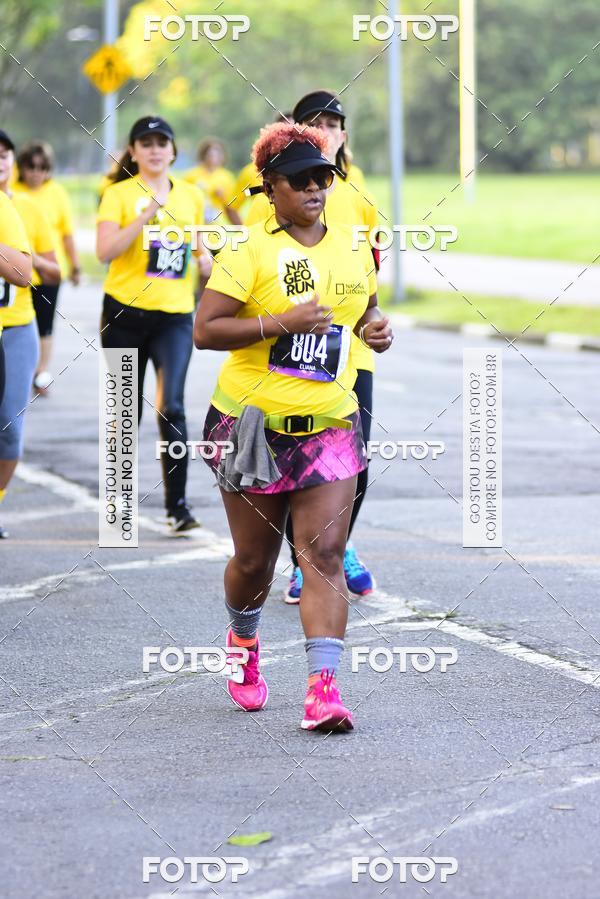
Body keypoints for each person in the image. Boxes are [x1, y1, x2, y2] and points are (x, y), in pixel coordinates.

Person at [193, 122, 393, 731]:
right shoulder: (247, 250)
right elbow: (206, 330)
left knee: (324, 553)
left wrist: (373, 329)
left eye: (322, 177)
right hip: (251, 426)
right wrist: (280, 323)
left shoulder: (352, 245)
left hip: (330, 421)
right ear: (270, 188)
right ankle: (245, 642)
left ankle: (322, 690)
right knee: (255, 562)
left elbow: (363, 308)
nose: (314, 187)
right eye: (300, 179)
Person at [247, 90, 380, 603]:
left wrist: (373, 319)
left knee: (354, 460)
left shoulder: (358, 190)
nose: (327, 129)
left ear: (344, 134)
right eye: (315, 122)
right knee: (289, 466)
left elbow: (371, 271)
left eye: (335, 122)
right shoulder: (269, 181)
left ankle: (334, 546)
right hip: (280, 350)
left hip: (348, 351)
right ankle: (306, 560)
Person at [96, 115, 212, 535]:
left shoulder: (193, 196)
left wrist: (206, 261)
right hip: (124, 314)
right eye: (145, 143)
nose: (155, 149)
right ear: (133, 152)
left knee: (172, 406)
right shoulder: (117, 195)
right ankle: (118, 510)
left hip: (174, 317)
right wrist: (146, 214)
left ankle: (176, 507)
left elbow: (203, 254)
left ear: (174, 150)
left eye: (162, 142)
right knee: (123, 413)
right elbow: (105, 250)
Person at [0, 130, 59, 538]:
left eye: (5, 154)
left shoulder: (22, 208)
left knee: (9, 429)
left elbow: (27, 274)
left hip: (15, 326)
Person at [14, 140, 80, 394]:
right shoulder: (11, 190)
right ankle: (20, 369)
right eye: (30, 167)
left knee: (45, 324)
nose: (35, 172)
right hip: (17, 271)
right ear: (22, 167)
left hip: (47, 271)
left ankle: (40, 373)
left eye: (41, 167)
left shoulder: (57, 193)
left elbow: (67, 234)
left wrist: (75, 266)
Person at [184, 138, 242, 226]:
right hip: (196, 223)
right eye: (210, 154)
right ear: (203, 155)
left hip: (218, 224)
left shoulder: (227, 177)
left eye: (218, 154)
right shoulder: (191, 175)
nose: (214, 157)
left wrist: (222, 196)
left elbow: (232, 206)